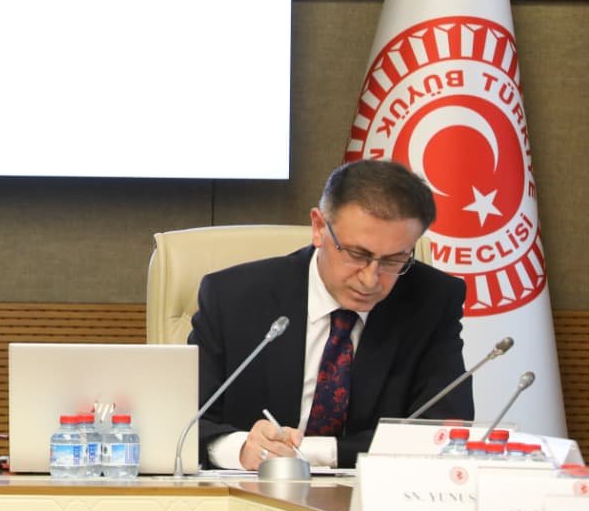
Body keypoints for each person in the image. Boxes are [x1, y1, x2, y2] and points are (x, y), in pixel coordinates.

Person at [188, 159, 472, 469]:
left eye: (394, 260)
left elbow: (443, 433)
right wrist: (243, 449)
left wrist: (311, 453)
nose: (371, 279)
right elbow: (186, 421)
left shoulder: (432, 300)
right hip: (250, 489)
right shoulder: (234, 297)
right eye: (357, 254)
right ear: (319, 227)